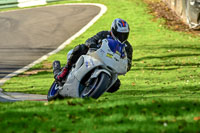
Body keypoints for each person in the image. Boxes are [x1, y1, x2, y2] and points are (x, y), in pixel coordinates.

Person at [53, 18, 133, 93]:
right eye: (119, 34)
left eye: (124, 34)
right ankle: (65, 71)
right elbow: (90, 40)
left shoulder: (127, 47)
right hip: (94, 57)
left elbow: (128, 64)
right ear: (113, 30)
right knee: (81, 48)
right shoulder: (103, 34)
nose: (121, 37)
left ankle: (94, 88)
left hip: (110, 67)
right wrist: (92, 45)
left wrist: (125, 65)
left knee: (116, 85)